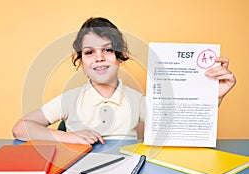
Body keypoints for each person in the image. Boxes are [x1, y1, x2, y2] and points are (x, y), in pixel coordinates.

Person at [12, 17, 236, 145]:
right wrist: (67, 136)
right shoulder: (69, 100)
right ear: (80, 61)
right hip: (76, 172)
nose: (99, 57)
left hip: (125, 172)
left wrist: (212, 97)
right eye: (89, 52)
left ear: (119, 57)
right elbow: (21, 128)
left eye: (108, 50)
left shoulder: (136, 100)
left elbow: (179, 124)